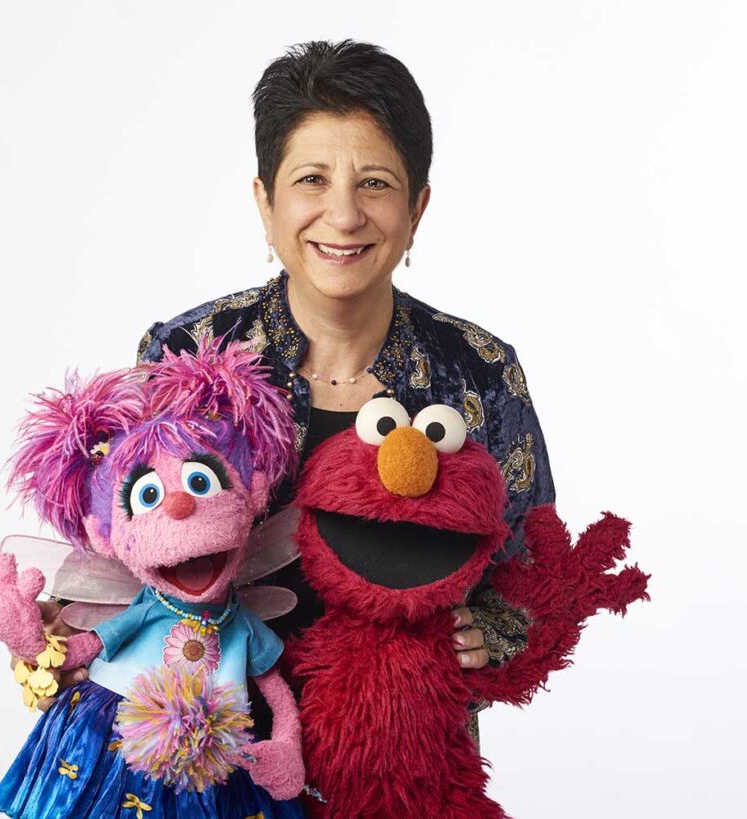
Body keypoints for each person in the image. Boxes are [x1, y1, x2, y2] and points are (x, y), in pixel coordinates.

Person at [42, 39, 555, 740]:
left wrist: (490, 632)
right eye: (312, 179)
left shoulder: (478, 369)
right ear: (265, 199)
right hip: (214, 754)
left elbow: (535, 567)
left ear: (418, 207)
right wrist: (56, 635)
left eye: (374, 182)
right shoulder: (188, 356)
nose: (343, 216)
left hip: (399, 763)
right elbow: (116, 552)